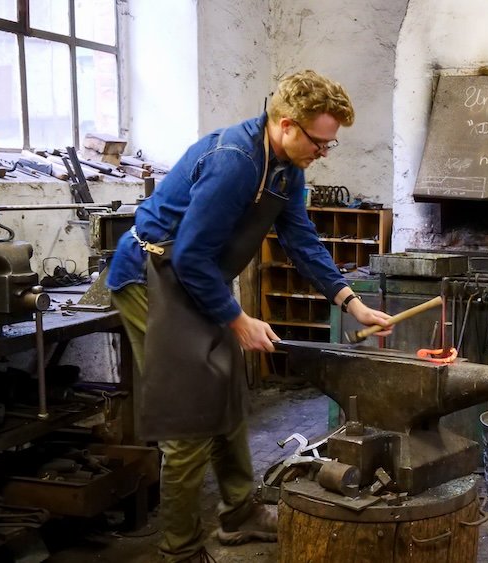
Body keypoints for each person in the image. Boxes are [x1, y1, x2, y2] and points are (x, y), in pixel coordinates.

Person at [105, 70, 392, 563]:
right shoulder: (234, 162)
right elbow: (190, 255)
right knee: (189, 419)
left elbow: (301, 241)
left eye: (330, 145)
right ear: (286, 125)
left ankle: (239, 516)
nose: (324, 153)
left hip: (196, 279)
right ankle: (180, 549)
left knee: (228, 395)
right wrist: (237, 319)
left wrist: (350, 300)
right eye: (320, 142)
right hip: (152, 277)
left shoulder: (286, 170)